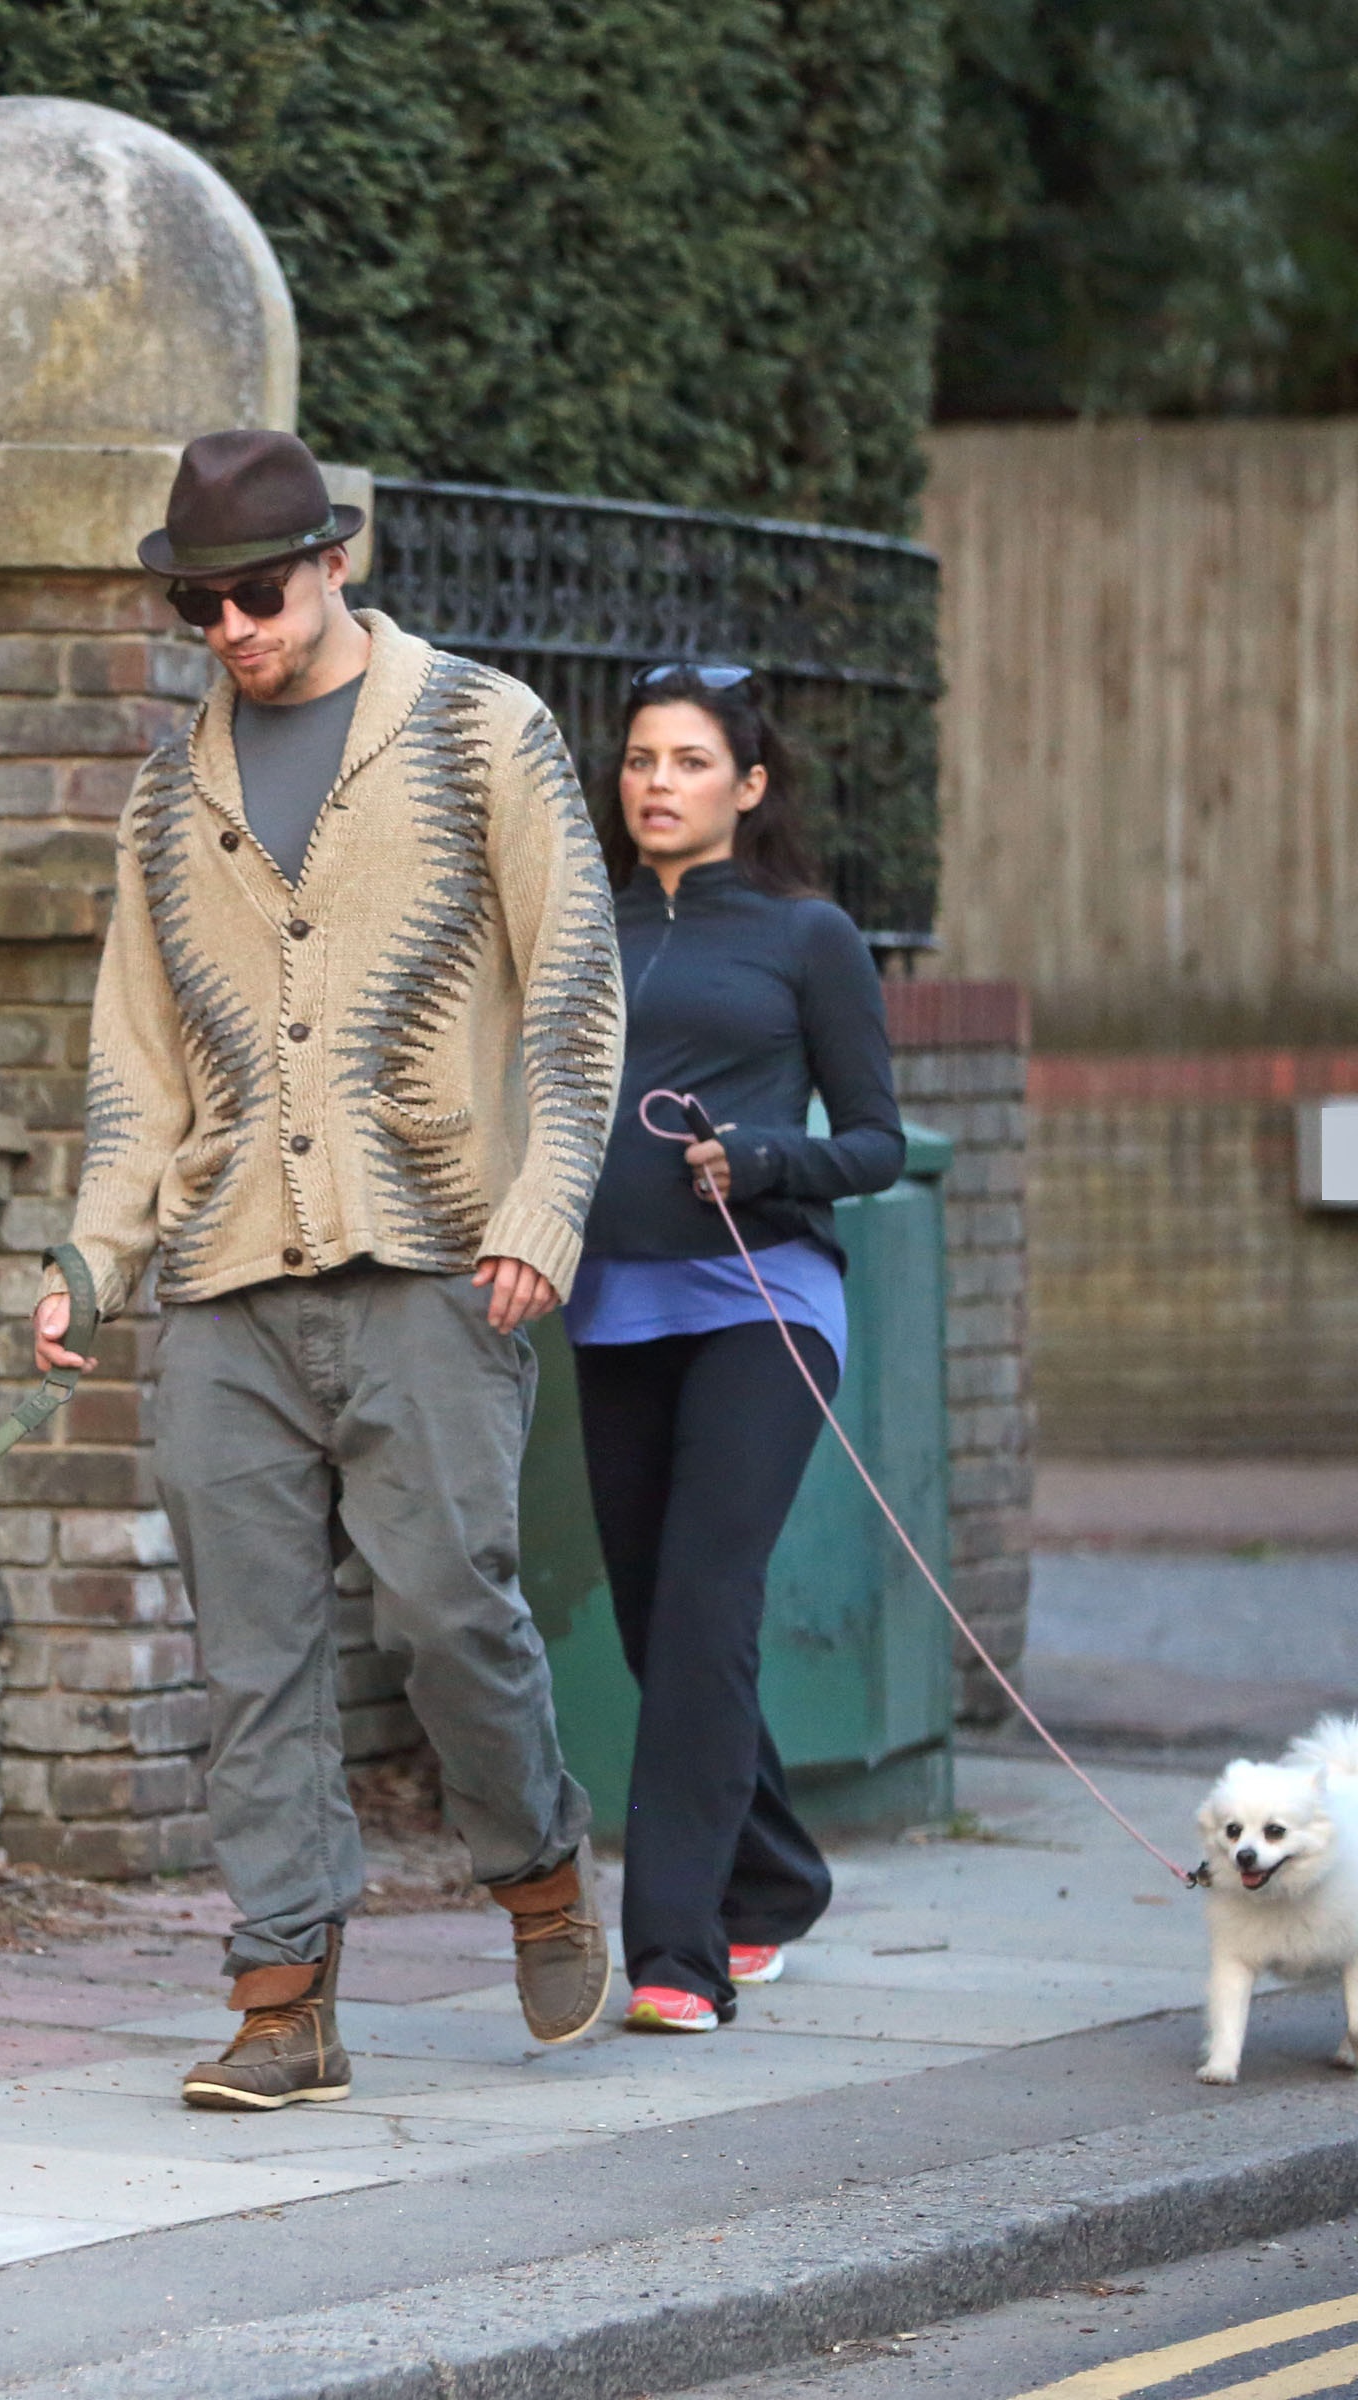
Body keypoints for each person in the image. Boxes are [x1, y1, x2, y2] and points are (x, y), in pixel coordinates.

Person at [33, 428, 626, 2109]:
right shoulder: (169, 798)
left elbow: (576, 995)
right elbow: (135, 1066)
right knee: (253, 1658)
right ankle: (283, 1995)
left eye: (257, 593)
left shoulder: (483, 731)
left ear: (334, 562)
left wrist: (544, 1209)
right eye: (198, 605)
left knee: (452, 1614)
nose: (229, 628)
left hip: (441, 1260)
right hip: (224, 1279)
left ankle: (535, 1864)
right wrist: (94, 1248)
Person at [566, 663, 907, 2032]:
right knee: (665, 1633)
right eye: (643, 759)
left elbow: (875, 1143)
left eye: (691, 762)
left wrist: (763, 1156)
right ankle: (772, 1878)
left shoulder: (807, 934)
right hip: (612, 1305)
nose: (657, 782)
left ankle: (674, 1955)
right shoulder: (577, 927)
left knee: (708, 1610)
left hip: (763, 1300)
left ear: (749, 786)